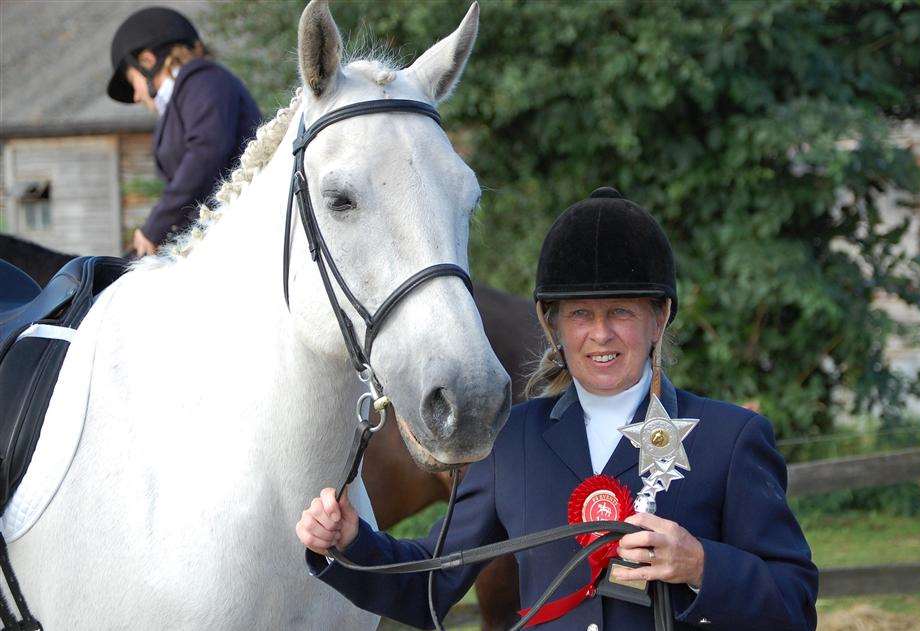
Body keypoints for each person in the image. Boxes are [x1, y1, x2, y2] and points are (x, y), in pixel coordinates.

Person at [296, 187, 818, 630]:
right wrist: (351, 544)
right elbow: (431, 584)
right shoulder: (512, 442)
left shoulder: (732, 439)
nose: (601, 334)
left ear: (659, 319)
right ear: (552, 325)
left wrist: (702, 564)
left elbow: (795, 603)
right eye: (581, 315)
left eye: (621, 312)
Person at [107, 6, 262, 256]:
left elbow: (205, 154)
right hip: (212, 232)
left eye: (132, 81)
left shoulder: (205, 81)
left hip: (242, 232)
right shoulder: (183, 99)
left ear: (147, 60)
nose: (136, 96)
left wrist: (154, 228)